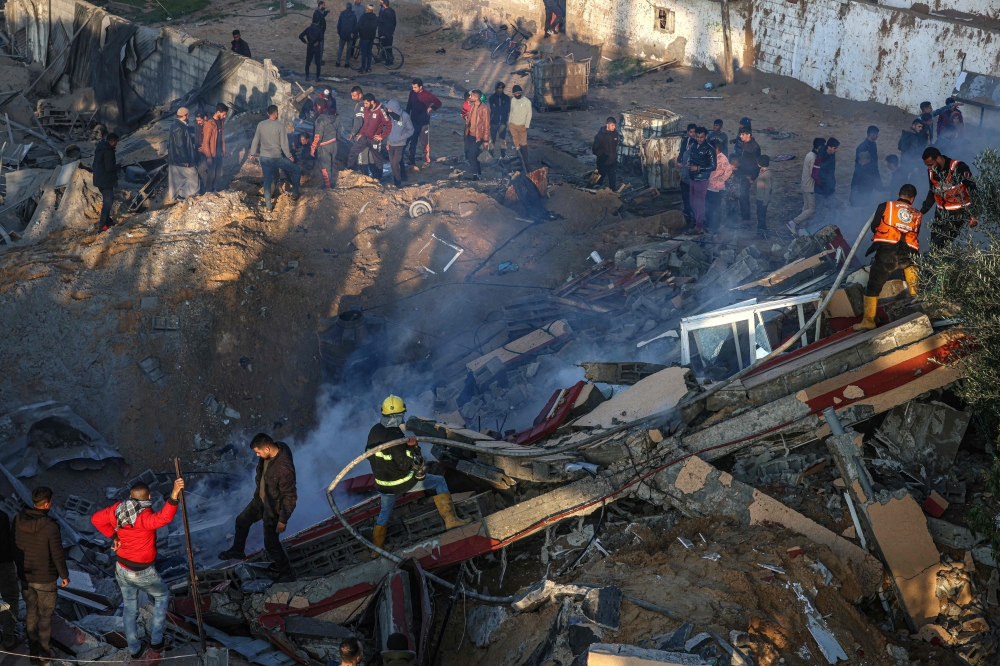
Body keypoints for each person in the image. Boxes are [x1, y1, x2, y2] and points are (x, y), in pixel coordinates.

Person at [90, 478, 185, 662]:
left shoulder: (117, 510)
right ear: (148, 497)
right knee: (162, 596)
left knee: (130, 609)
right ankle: (157, 641)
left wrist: (114, 535)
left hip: (122, 568)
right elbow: (164, 517)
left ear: (130, 497)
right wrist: (174, 494)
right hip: (142, 571)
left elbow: (95, 519)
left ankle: (134, 649)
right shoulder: (144, 518)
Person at [368, 396, 471, 556]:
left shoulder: (374, 430)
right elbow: (405, 464)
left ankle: (376, 550)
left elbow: (371, 456)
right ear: (398, 415)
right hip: (401, 482)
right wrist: (414, 448)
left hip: (383, 484)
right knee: (439, 481)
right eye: (401, 414)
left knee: (385, 511)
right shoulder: (395, 434)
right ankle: (451, 521)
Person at [218, 434, 297, 580]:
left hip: (273, 509)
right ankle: (238, 550)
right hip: (261, 500)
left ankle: (287, 573)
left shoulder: (284, 469)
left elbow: (290, 496)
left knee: (271, 543)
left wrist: (283, 520)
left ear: (267, 448)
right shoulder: (276, 447)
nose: (257, 455)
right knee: (241, 520)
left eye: (258, 452)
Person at [853, 184, 923, 331]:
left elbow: (874, 227)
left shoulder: (886, 206)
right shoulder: (917, 213)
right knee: (912, 271)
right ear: (913, 198)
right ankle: (918, 302)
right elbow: (915, 234)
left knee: (873, 286)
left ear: (898, 193)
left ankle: (868, 321)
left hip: (888, 253)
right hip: (909, 254)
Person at [13, 487, 68, 665]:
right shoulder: (51, 527)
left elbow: (15, 546)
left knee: (31, 613)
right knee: (45, 616)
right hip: (45, 579)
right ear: (46, 503)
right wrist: (64, 575)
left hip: (25, 576)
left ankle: (32, 652)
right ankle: (43, 653)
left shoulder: (18, 519)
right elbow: (57, 554)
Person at [920, 147, 977, 247]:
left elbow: (973, 188)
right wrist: (922, 212)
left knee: (941, 244)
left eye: (930, 164)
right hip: (940, 212)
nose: (929, 168)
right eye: (927, 165)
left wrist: (974, 214)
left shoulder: (958, 167)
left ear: (938, 158)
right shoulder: (931, 172)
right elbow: (932, 192)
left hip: (958, 213)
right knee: (934, 244)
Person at [249, 105, 302, 210]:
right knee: (297, 170)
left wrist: (252, 153)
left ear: (268, 114)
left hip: (264, 158)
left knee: (268, 180)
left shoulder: (261, 124)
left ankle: (268, 206)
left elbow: (255, 140)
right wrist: (290, 156)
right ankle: (295, 194)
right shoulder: (280, 126)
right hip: (277, 158)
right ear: (276, 113)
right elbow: (284, 145)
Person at [348, 93, 391, 181]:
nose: (365, 105)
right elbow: (365, 123)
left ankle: (377, 178)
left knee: (377, 159)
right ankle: (349, 171)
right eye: (364, 103)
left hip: (374, 139)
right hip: (364, 137)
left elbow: (389, 124)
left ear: (372, 102)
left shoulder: (381, 111)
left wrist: (382, 136)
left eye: (366, 103)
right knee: (353, 151)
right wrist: (361, 133)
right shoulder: (367, 109)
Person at [788, 137, 825, 235]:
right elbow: (814, 173)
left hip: (804, 184)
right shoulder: (813, 157)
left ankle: (802, 229)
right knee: (811, 208)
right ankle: (793, 222)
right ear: (820, 147)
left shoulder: (809, 154)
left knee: (806, 207)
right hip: (810, 186)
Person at [404, 78, 441, 165]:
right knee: (413, 142)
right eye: (413, 87)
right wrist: (406, 116)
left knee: (424, 143)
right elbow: (409, 105)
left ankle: (426, 160)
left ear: (420, 87)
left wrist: (431, 108)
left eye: (415, 87)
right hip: (413, 121)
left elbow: (438, 103)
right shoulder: (412, 93)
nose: (414, 89)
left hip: (424, 122)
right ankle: (411, 159)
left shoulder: (427, 95)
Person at [687, 126, 716, 233]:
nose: (699, 139)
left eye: (701, 137)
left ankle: (699, 226)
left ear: (706, 137)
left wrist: (698, 168)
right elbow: (692, 157)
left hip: (702, 179)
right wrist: (689, 163)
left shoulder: (710, 149)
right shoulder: (694, 145)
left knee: (699, 202)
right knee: (692, 202)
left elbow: (713, 166)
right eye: (698, 137)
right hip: (693, 177)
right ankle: (697, 223)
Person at [167, 107, 199, 202]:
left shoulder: (175, 124)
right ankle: (182, 196)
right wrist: (185, 159)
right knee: (193, 178)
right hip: (181, 160)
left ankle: (175, 198)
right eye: (188, 115)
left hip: (174, 159)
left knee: (176, 181)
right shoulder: (179, 127)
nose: (189, 116)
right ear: (185, 116)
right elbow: (180, 144)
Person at [0, 506, 20, 649]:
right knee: (10, 599)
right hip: (3, 565)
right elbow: (8, 544)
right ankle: (8, 637)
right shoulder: (2, 516)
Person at [92, 132, 119, 231]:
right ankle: (103, 226)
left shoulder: (100, 149)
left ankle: (107, 221)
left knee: (109, 200)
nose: (116, 144)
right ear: (113, 141)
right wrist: (118, 166)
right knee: (107, 203)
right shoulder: (108, 151)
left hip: (100, 179)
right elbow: (109, 167)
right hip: (106, 180)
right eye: (116, 142)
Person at [735, 125, 760, 227]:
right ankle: (741, 217)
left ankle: (746, 220)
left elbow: (758, 164)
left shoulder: (755, 147)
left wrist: (753, 177)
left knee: (743, 196)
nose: (741, 136)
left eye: (743, 134)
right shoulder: (743, 144)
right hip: (740, 173)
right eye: (740, 134)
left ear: (748, 135)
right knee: (739, 194)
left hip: (748, 175)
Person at [850, 125, 881, 208]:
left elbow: (875, 163)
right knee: (861, 201)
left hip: (869, 178)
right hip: (862, 180)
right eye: (876, 134)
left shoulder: (873, 145)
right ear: (872, 134)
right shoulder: (862, 147)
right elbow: (860, 166)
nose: (877, 136)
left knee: (867, 201)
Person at [311, 104, 341, 188]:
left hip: (324, 146)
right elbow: (339, 132)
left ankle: (328, 187)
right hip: (334, 144)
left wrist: (313, 148)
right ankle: (330, 182)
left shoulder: (320, 120)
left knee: (325, 167)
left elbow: (318, 137)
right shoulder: (337, 117)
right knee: (330, 164)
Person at [385, 99, 413, 188]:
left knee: (395, 163)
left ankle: (398, 183)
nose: (388, 110)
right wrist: (388, 142)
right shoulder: (390, 117)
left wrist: (401, 137)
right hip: (391, 144)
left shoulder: (405, 116)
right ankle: (398, 179)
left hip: (400, 145)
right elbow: (389, 130)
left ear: (395, 108)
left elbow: (411, 130)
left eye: (389, 109)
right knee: (393, 164)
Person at [463, 89, 490, 181]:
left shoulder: (484, 109)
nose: (470, 97)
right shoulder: (472, 106)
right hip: (469, 134)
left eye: (472, 96)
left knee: (471, 154)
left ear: (476, 97)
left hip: (478, 136)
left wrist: (486, 140)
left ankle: (477, 175)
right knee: (468, 152)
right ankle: (477, 172)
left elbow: (487, 125)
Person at [812, 137, 839, 227]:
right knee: (819, 210)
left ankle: (832, 227)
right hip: (820, 189)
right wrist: (822, 184)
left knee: (832, 209)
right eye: (835, 148)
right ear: (829, 147)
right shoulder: (820, 157)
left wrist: (831, 184)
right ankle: (815, 229)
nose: (836, 151)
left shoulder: (832, 154)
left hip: (830, 187)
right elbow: (815, 174)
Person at [706, 139, 731, 231]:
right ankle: (709, 224)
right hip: (709, 187)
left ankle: (715, 227)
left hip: (718, 188)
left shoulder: (722, 158)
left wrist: (721, 179)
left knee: (716, 208)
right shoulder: (711, 157)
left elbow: (729, 171)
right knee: (709, 207)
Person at [592, 117, 619, 192]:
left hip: (613, 162)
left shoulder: (615, 134)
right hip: (603, 163)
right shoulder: (599, 136)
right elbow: (594, 149)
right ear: (607, 125)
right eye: (612, 125)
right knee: (599, 180)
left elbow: (615, 145)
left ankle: (613, 196)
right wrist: (602, 156)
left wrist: (615, 156)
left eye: (615, 125)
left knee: (613, 181)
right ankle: (596, 194)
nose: (614, 127)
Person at [677, 123, 697, 223]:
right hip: (685, 176)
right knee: (685, 196)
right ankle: (687, 212)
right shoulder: (685, 143)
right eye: (691, 132)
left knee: (693, 198)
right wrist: (679, 161)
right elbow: (681, 153)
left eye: (694, 132)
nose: (693, 134)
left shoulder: (699, 148)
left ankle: (693, 215)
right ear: (688, 132)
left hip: (693, 179)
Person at [508, 84, 531, 162]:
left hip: (522, 126)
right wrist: (509, 122)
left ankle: (525, 160)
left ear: (521, 93)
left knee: (523, 144)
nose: (517, 95)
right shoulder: (513, 100)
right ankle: (519, 158)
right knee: (516, 143)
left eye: (518, 93)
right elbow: (511, 111)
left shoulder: (526, 101)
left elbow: (529, 114)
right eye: (515, 94)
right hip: (513, 125)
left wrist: (527, 125)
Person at [488, 82, 510, 159]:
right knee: (492, 140)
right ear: (496, 88)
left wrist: (498, 108)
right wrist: (501, 109)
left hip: (503, 122)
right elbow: (493, 110)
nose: (500, 89)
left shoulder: (507, 98)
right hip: (494, 122)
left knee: (502, 140)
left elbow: (507, 110)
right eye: (499, 88)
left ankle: (503, 155)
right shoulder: (491, 98)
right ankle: (490, 155)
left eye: (501, 88)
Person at [356, 4, 378, 73]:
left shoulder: (364, 17)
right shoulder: (375, 17)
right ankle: (368, 68)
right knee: (369, 53)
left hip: (364, 37)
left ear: (367, 9)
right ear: (373, 10)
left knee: (364, 53)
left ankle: (363, 68)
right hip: (371, 37)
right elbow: (376, 26)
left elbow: (358, 26)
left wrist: (356, 32)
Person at [336, 2, 357, 67]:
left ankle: (338, 62)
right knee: (349, 49)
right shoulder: (353, 15)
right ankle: (346, 63)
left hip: (342, 34)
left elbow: (338, 25)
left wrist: (339, 33)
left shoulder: (342, 14)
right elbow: (355, 26)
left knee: (340, 49)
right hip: (350, 35)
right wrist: (353, 33)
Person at [755, 154, 772, 235]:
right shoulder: (763, 172)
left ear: (759, 164)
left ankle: (763, 232)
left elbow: (768, 189)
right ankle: (760, 230)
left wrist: (765, 201)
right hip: (759, 198)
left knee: (761, 216)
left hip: (763, 200)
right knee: (759, 215)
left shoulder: (766, 174)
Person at [377, 0, 396, 64]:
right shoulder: (392, 11)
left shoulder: (385, 11)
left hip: (385, 31)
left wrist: (377, 20)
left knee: (385, 45)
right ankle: (387, 58)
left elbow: (383, 21)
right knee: (389, 45)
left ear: (384, 4)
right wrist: (393, 30)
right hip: (390, 31)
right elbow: (394, 22)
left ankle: (389, 60)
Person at [312, 0, 329, 66]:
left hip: (319, 32)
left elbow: (323, 15)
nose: (325, 6)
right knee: (319, 47)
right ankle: (318, 61)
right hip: (318, 33)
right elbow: (316, 23)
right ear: (321, 5)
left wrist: (327, 12)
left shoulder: (319, 12)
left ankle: (318, 60)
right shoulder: (317, 13)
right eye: (324, 5)